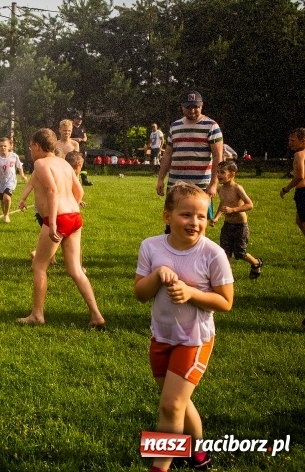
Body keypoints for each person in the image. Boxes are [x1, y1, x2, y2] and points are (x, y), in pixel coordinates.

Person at [134, 182, 234, 472]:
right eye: (186, 215)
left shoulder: (213, 254)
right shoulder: (151, 246)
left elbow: (225, 302)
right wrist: (156, 275)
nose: (195, 222)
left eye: (201, 216)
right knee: (178, 403)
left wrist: (192, 293)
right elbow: (140, 294)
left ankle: (159, 468)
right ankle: (199, 454)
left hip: (194, 340)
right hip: (161, 336)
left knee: (170, 406)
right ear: (168, 216)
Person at [16, 129, 105, 327]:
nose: (30, 151)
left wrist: (54, 222)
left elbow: (52, 190)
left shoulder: (40, 163)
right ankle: (96, 315)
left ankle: (37, 315)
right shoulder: (64, 162)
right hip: (75, 217)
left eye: (31, 146)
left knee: (39, 266)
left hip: (59, 219)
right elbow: (79, 190)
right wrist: (70, 209)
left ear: (37, 146)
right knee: (75, 270)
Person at [156, 91, 224, 219]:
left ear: (201, 105)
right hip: (175, 185)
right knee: (172, 222)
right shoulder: (175, 126)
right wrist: (160, 179)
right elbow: (168, 155)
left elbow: (217, 156)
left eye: (195, 107)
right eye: (188, 107)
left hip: (200, 186)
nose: (192, 110)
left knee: (197, 226)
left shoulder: (212, 126)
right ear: (182, 106)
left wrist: (214, 184)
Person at [210, 160, 263, 279]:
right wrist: (216, 218)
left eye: (222, 172)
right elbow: (222, 204)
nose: (218, 175)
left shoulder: (237, 188)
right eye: (217, 172)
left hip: (240, 226)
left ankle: (256, 263)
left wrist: (233, 210)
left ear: (232, 174)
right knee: (225, 253)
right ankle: (228, 278)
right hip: (227, 224)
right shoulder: (220, 189)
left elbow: (250, 205)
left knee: (240, 253)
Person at [0, 137, 26, 223]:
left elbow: (19, 166)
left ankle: (7, 215)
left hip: (10, 181)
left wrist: (22, 175)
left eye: (5, 146)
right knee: (2, 200)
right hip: (0, 182)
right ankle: (5, 214)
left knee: (6, 198)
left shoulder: (14, 156)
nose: (3, 148)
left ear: (9, 147)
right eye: (1, 146)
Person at [280, 127, 305, 238]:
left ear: (303, 141)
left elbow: (300, 176)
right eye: (289, 140)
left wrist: (286, 188)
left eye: (293, 140)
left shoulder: (299, 155)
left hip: (303, 192)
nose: (290, 143)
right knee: (299, 220)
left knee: (302, 221)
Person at [71, 113, 93, 185]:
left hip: (82, 148)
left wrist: (84, 139)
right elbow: (67, 138)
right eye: (78, 119)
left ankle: (84, 180)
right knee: (74, 163)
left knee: (83, 164)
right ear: (74, 119)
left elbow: (85, 137)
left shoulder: (82, 128)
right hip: (73, 148)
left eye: (80, 119)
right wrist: (76, 139)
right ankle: (73, 179)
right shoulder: (71, 128)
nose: (79, 121)